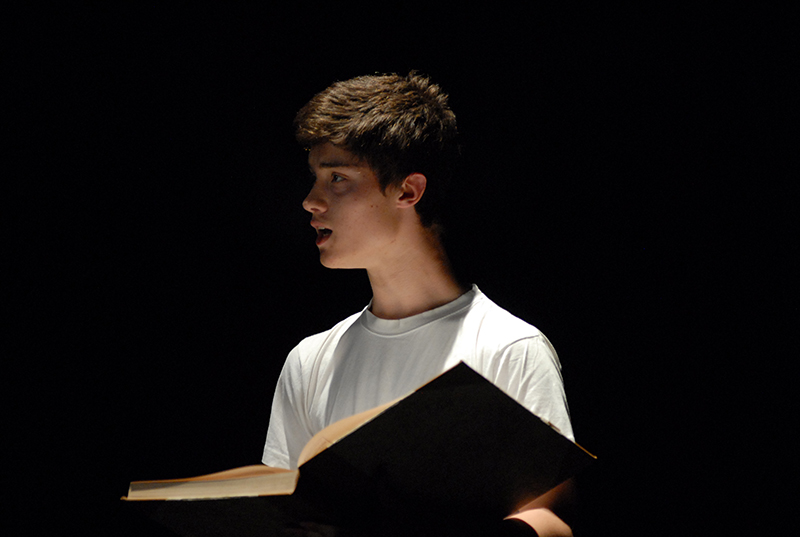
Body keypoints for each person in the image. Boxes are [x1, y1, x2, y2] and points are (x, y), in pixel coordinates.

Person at [263, 72, 575, 536]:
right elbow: (280, 516)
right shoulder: (310, 361)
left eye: (338, 178)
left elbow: (549, 518)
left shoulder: (509, 347)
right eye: (315, 178)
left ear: (408, 191)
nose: (311, 201)